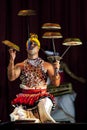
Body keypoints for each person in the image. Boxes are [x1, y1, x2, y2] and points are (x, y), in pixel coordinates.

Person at [7, 33, 61, 123]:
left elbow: (56, 83)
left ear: (38, 48)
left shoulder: (47, 65)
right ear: (26, 49)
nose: (32, 45)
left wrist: (56, 70)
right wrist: (12, 60)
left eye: (34, 44)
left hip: (42, 97)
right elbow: (11, 77)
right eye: (29, 44)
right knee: (18, 116)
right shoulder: (20, 65)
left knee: (44, 105)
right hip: (25, 98)